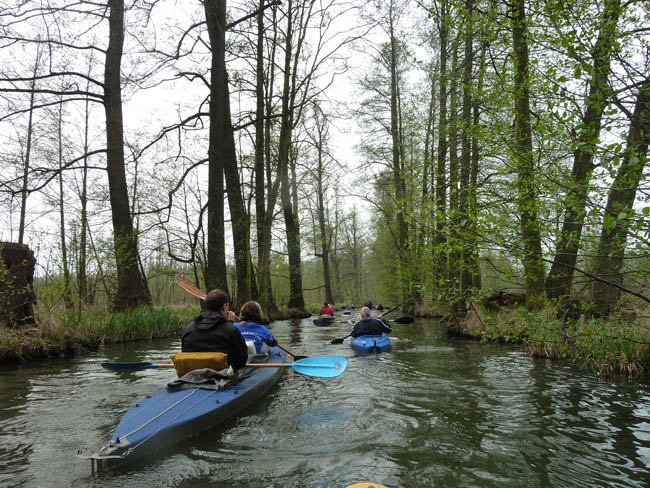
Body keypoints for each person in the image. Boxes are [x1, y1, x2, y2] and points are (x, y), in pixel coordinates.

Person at [181, 289, 248, 370]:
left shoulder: (189, 328)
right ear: (224, 306)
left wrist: (229, 323)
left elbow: (184, 353)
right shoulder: (231, 329)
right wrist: (230, 323)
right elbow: (241, 362)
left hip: (192, 375)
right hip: (221, 377)